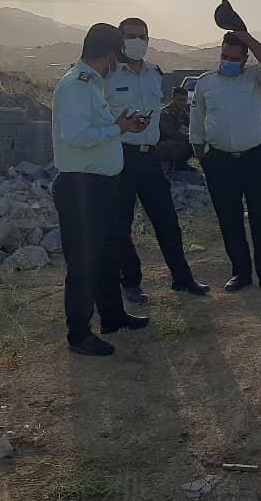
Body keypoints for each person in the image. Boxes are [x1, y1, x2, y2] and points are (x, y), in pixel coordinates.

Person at [52, 23, 151, 357]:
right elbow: (76, 136)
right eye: (116, 58)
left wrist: (122, 126)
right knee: (84, 263)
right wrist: (117, 128)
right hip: (82, 188)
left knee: (108, 255)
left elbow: (98, 129)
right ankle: (79, 334)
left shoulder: (92, 85)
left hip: (100, 185)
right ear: (109, 56)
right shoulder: (76, 86)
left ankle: (113, 316)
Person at [104, 18, 210, 303]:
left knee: (167, 220)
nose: (138, 42)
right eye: (131, 36)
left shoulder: (154, 73)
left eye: (143, 36)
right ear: (120, 40)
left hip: (151, 157)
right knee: (121, 223)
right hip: (121, 156)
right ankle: (131, 282)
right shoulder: (109, 74)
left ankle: (183, 278)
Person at [190, 29, 261, 296]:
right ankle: (241, 273)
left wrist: (247, 38)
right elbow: (197, 120)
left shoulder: (256, 79)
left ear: (245, 59)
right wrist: (201, 154)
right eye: (224, 56)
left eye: (235, 58)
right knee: (230, 220)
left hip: (253, 160)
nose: (228, 62)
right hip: (219, 162)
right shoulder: (206, 83)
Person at [158, 87, 195, 170]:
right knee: (182, 143)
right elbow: (172, 133)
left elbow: (191, 127)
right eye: (179, 100)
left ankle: (182, 163)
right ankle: (173, 165)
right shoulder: (166, 113)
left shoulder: (183, 113)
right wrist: (190, 137)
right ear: (173, 99)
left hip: (175, 142)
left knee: (195, 142)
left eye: (184, 100)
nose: (182, 103)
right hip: (162, 145)